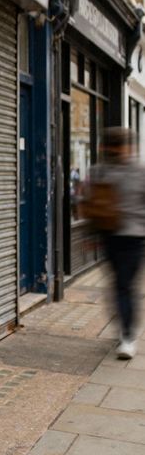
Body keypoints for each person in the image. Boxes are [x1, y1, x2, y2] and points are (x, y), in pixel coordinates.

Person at [84, 127, 145, 359]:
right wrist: (91, 235)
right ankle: (126, 329)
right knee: (120, 286)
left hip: (133, 238)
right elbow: (90, 204)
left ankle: (127, 335)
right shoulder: (99, 170)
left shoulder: (138, 172)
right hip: (110, 235)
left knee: (124, 285)